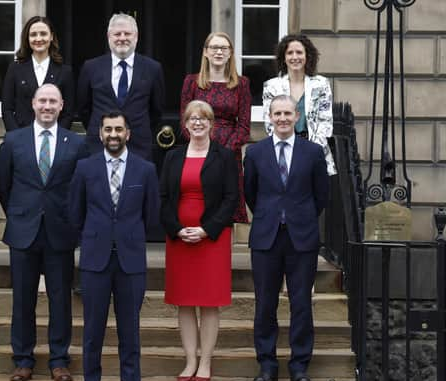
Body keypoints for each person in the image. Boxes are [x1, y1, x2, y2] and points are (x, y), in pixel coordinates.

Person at [0, 84, 88, 381]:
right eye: (42, 101)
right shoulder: (13, 140)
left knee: (60, 299)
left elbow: (80, 188)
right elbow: (3, 184)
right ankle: (23, 359)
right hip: (23, 230)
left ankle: (59, 359)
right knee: (23, 299)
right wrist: (21, 212)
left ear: (62, 106)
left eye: (53, 101)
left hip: (60, 230)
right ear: (33, 104)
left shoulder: (75, 143)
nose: (47, 106)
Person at [69, 111, 159, 381]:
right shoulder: (85, 168)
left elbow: (152, 214)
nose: (113, 134)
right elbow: (75, 212)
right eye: (108, 129)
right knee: (92, 331)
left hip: (130, 260)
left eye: (118, 129)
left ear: (128, 134)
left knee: (129, 331)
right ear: (100, 133)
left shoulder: (145, 170)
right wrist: (95, 237)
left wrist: (128, 236)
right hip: (95, 259)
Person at [244, 95, 329, 381]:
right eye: (277, 113)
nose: (282, 118)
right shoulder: (255, 153)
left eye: (288, 113)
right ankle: (267, 364)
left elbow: (321, 196)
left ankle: (299, 365)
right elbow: (250, 193)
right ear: (269, 117)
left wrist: (297, 217)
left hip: (302, 238)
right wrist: (272, 215)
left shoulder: (313, 152)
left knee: (301, 303)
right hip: (266, 238)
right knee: (265, 304)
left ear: (297, 117)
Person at [160, 100, 238, 381]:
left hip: (212, 239)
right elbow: (164, 198)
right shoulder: (173, 156)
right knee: (184, 302)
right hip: (180, 238)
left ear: (211, 123)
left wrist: (206, 230)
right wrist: (177, 229)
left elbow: (232, 199)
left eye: (203, 118)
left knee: (208, 303)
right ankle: (189, 359)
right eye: (192, 118)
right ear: (185, 124)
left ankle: (205, 361)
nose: (197, 123)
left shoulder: (225, 156)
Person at [180, 32, 250, 224]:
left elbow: (244, 126)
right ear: (205, 52)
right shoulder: (191, 82)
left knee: (225, 207)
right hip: (198, 151)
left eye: (224, 48)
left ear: (230, 53)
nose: (219, 52)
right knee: (199, 201)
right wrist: (203, 148)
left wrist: (223, 152)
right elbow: (185, 122)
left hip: (229, 153)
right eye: (214, 48)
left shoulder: (242, 84)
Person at [77, 13, 165, 160]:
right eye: (117, 34)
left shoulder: (153, 69)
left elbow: (157, 111)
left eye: (127, 34)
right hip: (98, 148)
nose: (122, 38)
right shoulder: (91, 67)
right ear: (109, 36)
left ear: (136, 36)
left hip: (138, 148)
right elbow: (83, 109)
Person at [262, 33, 336, 176]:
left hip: (314, 150)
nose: (295, 57)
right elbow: (269, 124)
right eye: (290, 53)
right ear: (284, 57)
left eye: (299, 52)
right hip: (282, 151)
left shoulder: (321, 84)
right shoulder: (271, 86)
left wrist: (308, 152)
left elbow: (325, 123)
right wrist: (288, 149)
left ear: (307, 55)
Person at [2, 15, 74, 131]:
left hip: (52, 141)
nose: (38, 39)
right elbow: (7, 109)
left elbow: (68, 113)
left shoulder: (65, 72)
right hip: (21, 139)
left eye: (43, 34)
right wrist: (16, 138)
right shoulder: (15, 69)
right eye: (33, 35)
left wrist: (55, 138)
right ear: (27, 38)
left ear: (51, 36)